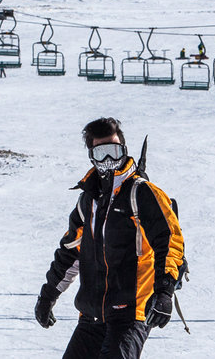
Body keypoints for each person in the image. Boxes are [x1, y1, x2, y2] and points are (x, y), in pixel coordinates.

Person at [34, 117, 184, 359]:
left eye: (114, 151)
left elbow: (170, 241)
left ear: (123, 150)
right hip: (92, 315)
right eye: (101, 152)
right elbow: (70, 252)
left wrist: (164, 291)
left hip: (131, 313)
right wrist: (49, 294)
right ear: (92, 156)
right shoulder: (88, 200)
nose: (108, 159)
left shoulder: (142, 193)